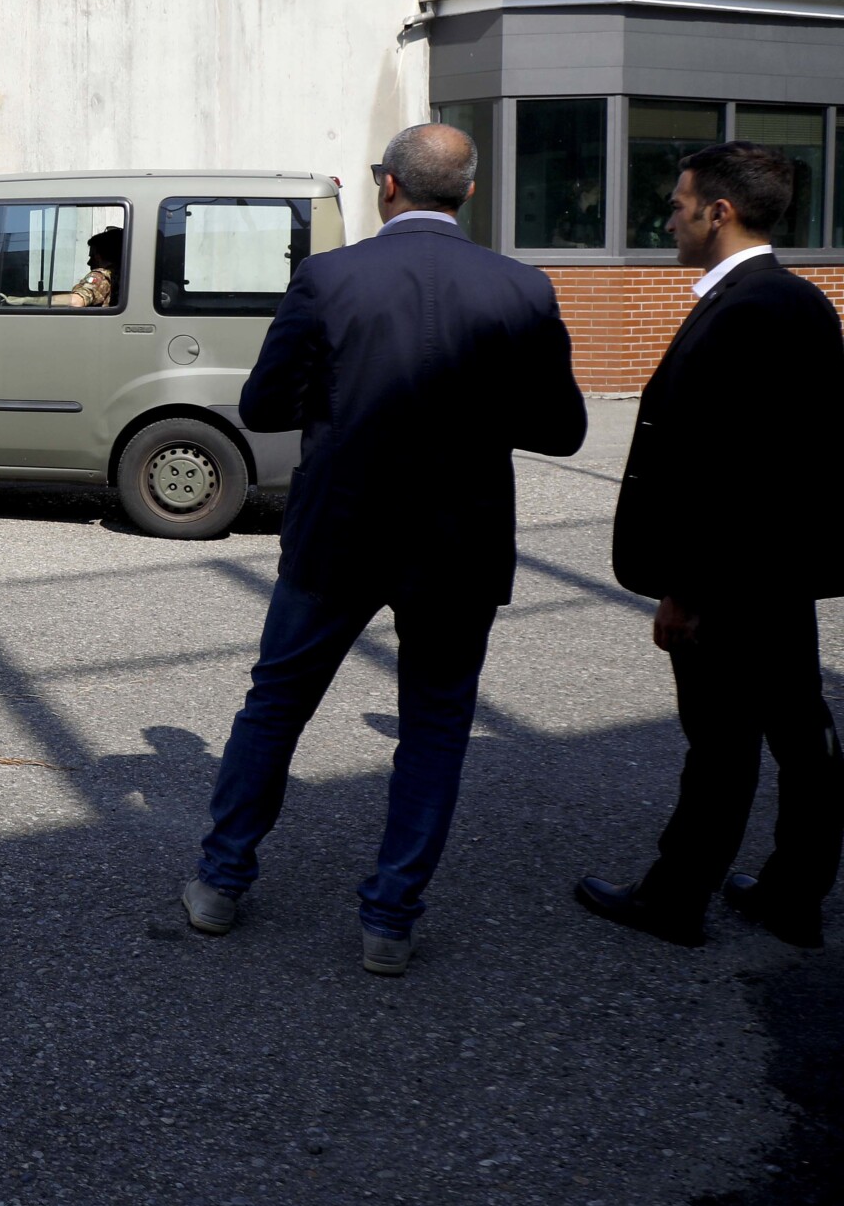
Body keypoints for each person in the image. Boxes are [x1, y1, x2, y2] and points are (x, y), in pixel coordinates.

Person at [182, 123, 586, 975]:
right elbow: (563, 426)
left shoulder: (329, 277)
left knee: (278, 703)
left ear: (387, 186)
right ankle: (389, 923)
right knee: (436, 728)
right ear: (468, 192)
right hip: (461, 540)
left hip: (341, 529)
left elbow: (262, 406)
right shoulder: (521, 286)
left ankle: (220, 884)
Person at [576, 142, 844, 950]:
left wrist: (685, 590)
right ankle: (795, 895)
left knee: (724, 742)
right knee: (799, 733)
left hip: (731, 576)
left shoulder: (750, 307)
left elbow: (731, 468)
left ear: (719, 212)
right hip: (777, 568)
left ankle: (675, 896)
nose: (669, 217)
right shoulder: (799, 299)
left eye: (679, 202)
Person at [65, 227, 122, 308]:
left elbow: (76, 301)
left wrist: (45, 300)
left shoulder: (101, 276)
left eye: (93, 257)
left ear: (103, 256)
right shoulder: (122, 276)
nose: (89, 263)